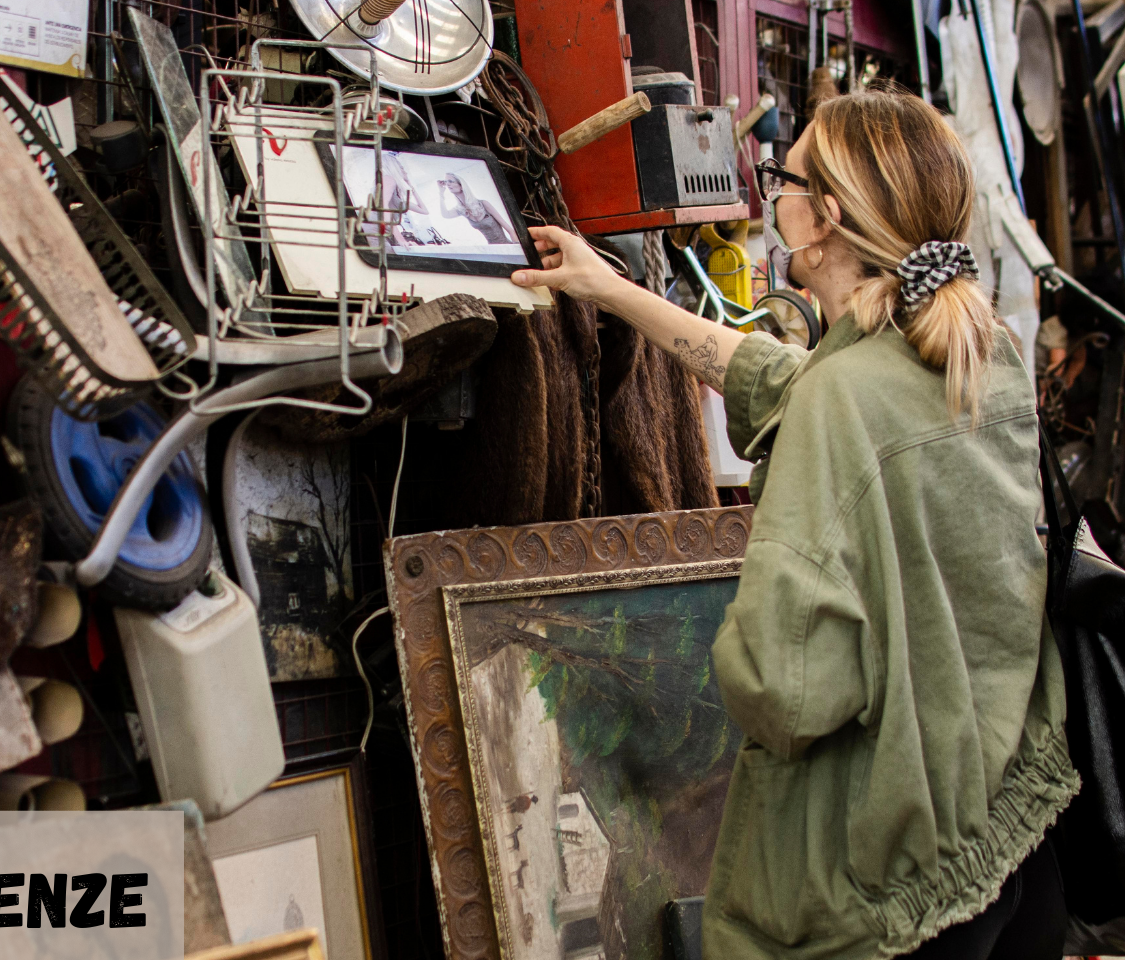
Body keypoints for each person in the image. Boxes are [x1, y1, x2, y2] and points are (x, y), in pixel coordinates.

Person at [511, 89, 1077, 960]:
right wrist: (610, 289)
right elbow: (782, 377)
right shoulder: (979, 356)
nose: (773, 191)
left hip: (877, 890)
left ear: (828, 217)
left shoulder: (841, 402)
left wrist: (713, 651)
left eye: (786, 175)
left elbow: (785, 686)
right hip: (999, 835)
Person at [437, 172, 515, 244]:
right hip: (494, 249)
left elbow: (510, 230)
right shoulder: (461, 210)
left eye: (450, 181)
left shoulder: (483, 204)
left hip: (507, 246)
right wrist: (441, 192)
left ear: (461, 185)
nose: (447, 184)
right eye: (446, 182)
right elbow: (445, 215)